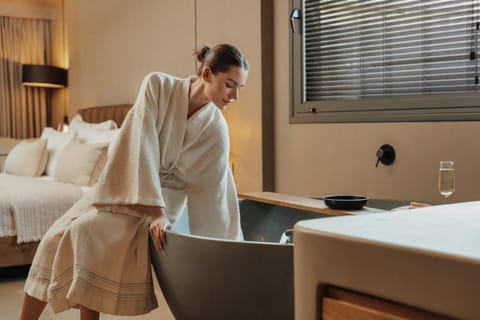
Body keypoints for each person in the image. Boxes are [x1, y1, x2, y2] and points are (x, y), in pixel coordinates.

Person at [19, 43, 249, 320]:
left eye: (240, 88)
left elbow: (216, 189)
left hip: (166, 199)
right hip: (126, 184)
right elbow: (140, 147)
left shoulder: (216, 128)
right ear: (208, 74)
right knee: (53, 238)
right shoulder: (158, 86)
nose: (234, 96)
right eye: (230, 85)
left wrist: (225, 249)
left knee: (86, 232)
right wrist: (155, 212)